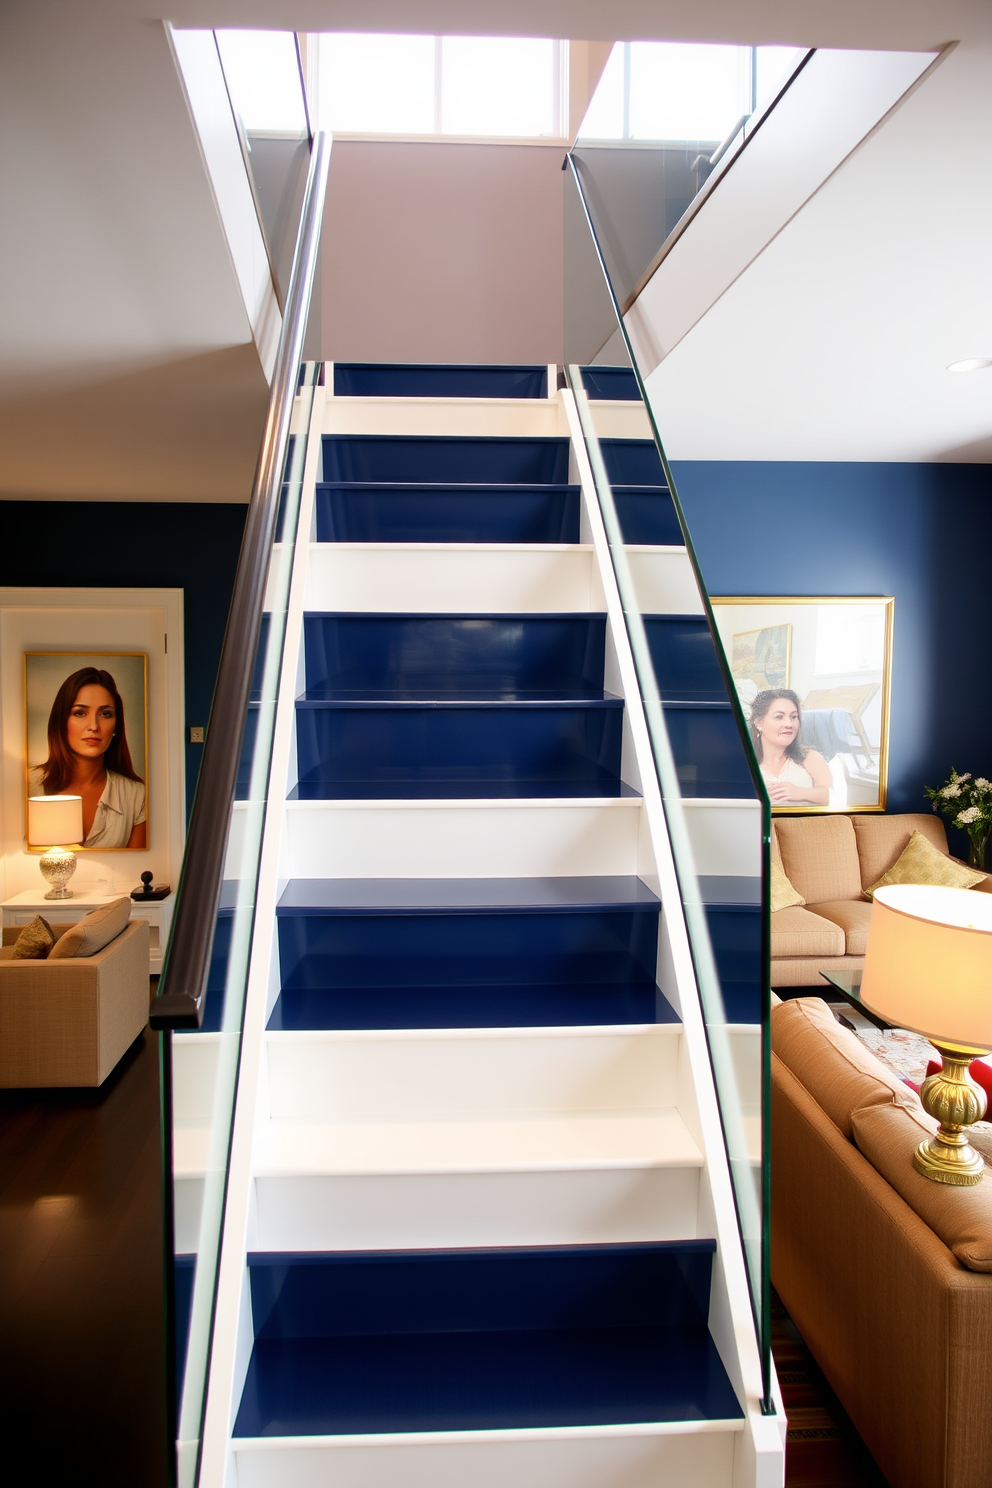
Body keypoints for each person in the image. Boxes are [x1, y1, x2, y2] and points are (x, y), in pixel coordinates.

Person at [32, 666, 146, 849]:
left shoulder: (136, 795)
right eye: (80, 713)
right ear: (61, 721)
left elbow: (139, 871)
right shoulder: (27, 786)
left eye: (105, 714)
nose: (94, 726)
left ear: (116, 726)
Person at [749, 688, 831, 806]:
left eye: (793, 717)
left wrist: (799, 793)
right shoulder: (745, 763)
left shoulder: (809, 757)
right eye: (779, 717)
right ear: (758, 723)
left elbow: (831, 795)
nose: (789, 724)